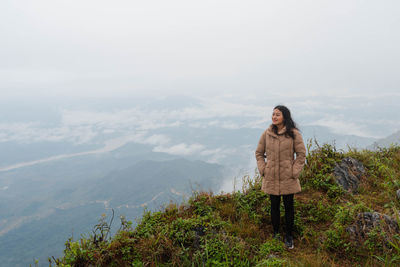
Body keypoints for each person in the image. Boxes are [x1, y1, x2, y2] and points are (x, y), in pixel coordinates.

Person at [255, 105, 306, 249]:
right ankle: (276, 234)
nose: (274, 117)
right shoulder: (267, 133)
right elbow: (259, 153)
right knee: (274, 206)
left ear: (285, 117)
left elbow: (301, 154)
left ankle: (289, 236)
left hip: (287, 177)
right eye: (273, 114)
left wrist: (294, 172)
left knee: (289, 207)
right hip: (271, 176)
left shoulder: (293, 134)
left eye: (278, 114)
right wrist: (263, 169)